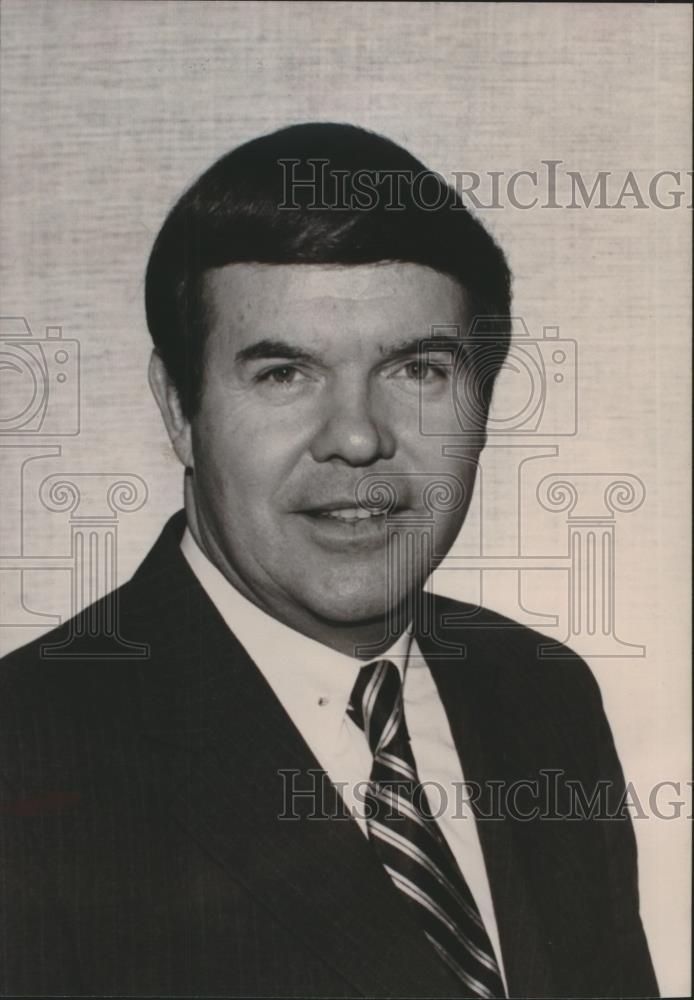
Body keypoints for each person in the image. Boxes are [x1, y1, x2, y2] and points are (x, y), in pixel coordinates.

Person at [0, 123, 657, 998]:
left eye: (418, 370)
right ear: (178, 410)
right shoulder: (25, 754)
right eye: (283, 374)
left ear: (485, 403)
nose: (357, 436)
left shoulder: (542, 695)